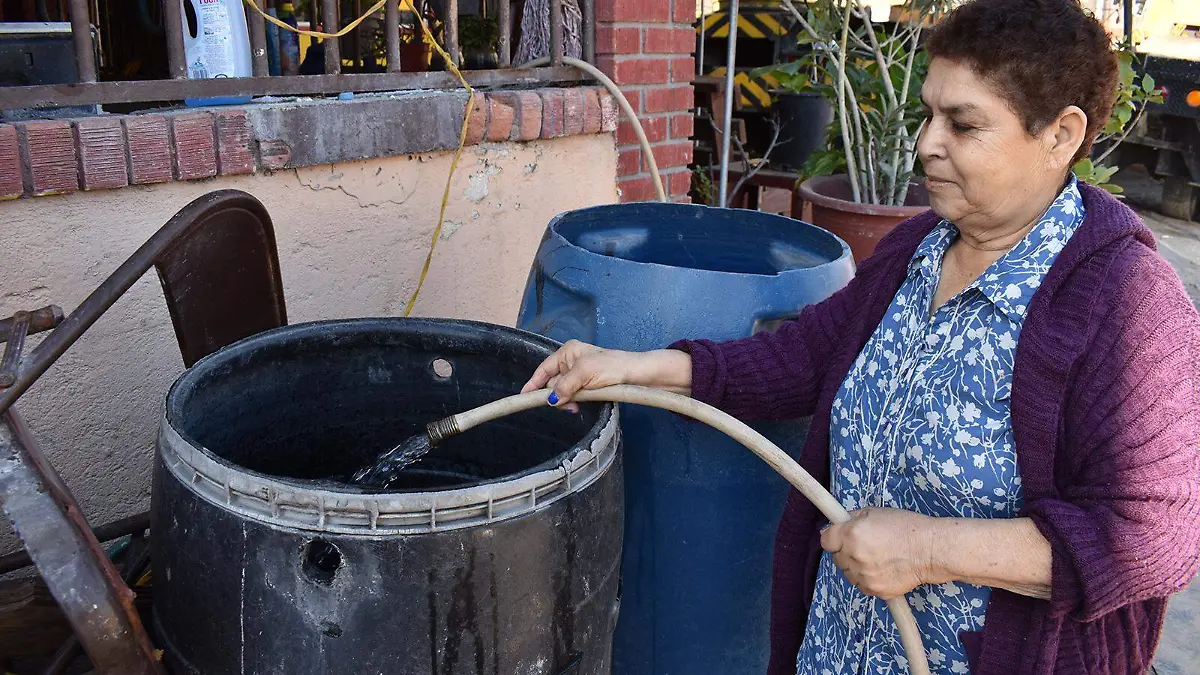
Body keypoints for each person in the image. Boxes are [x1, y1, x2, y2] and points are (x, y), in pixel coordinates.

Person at [521, 0, 1200, 672]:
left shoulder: (1126, 301)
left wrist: (931, 548)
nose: (927, 142)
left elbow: (1157, 537)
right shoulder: (918, 250)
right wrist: (631, 366)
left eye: (964, 125)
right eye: (929, 114)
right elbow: (802, 356)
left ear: (1060, 134)